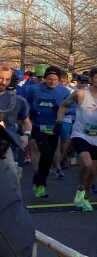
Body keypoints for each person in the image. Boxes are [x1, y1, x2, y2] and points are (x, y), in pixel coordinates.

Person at [58, 67, 97, 212]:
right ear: (91, 79)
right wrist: (59, 122)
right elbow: (64, 106)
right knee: (87, 164)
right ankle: (80, 189)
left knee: (94, 171)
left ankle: (85, 197)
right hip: (80, 134)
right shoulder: (81, 94)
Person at [24, 66, 71, 199]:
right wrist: (29, 112)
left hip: (54, 126)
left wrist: (62, 110)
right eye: (49, 79)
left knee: (48, 157)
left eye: (55, 79)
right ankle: (41, 185)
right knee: (45, 153)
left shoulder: (64, 91)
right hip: (38, 126)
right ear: (44, 78)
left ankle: (37, 178)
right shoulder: (34, 89)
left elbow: (73, 107)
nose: (52, 82)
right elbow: (25, 102)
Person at [0, 65, 32, 181]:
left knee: (11, 187)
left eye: (7, 79)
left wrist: (26, 135)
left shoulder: (18, 101)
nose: (3, 82)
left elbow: (26, 122)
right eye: (0, 78)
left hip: (8, 149)